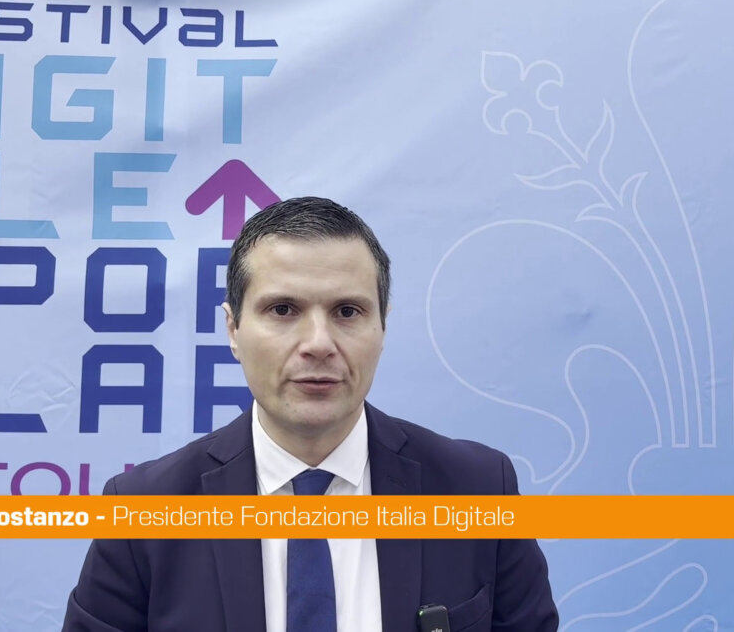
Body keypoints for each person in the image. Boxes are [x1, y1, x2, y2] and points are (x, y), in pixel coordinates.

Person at [62, 197, 559, 632]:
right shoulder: (143, 512)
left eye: (347, 311)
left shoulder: (478, 489)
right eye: (283, 310)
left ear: (383, 327)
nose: (319, 344)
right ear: (233, 329)